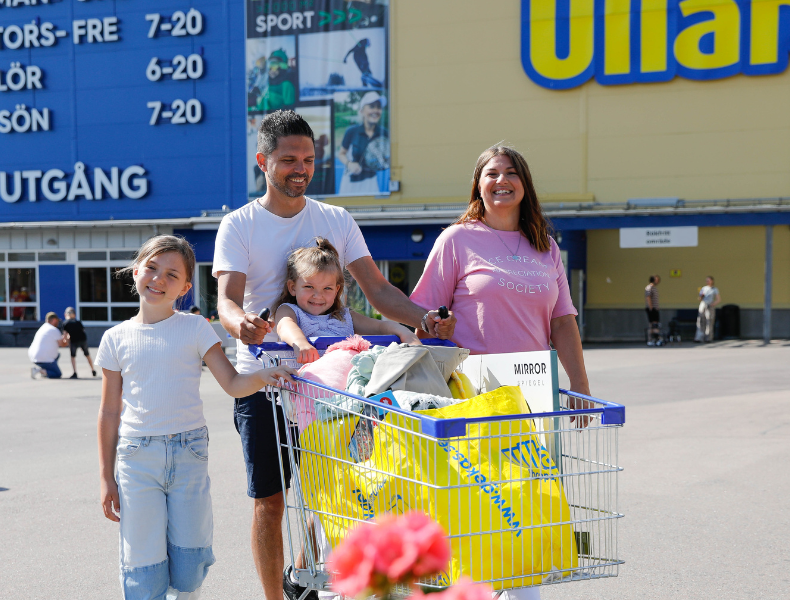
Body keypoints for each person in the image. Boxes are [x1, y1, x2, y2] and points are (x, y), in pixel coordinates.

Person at [213, 109, 454, 600]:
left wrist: (422, 320)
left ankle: (303, 576)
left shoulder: (335, 220)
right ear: (263, 161)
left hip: (336, 388)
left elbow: (379, 291)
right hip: (267, 382)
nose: (300, 168)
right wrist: (245, 326)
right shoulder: (239, 225)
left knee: (339, 494)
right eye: (287, 160)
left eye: (308, 158)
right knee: (271, 503)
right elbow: (226, 301)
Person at [408, 144, 590, 600]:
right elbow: (418, 313)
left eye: (511, 173)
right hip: (472, 399)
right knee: (477, 519)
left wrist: (580, 386)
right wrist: (435, 325)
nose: (501, 181)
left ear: (525, 185)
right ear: (478, 185)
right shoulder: (457, 240)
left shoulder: (545, 247)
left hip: (531, 401)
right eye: (491, 173)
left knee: (525, 518)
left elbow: (563, 322)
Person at [96, 235, 295, 600]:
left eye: (172, 275)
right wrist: (107, 477)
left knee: (189, 568)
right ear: (136, 268)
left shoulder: (196, 328)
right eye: (152, 268)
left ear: (186, 287)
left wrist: (265, 375)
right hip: (137, 460)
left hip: (189, 454)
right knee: (143, 566)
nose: (158, 279)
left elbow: (234, 383)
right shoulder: (114, 338)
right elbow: (110, 411)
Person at [274, 238, 419, 363]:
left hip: (344, 388)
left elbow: (380, 327)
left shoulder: (345, 317)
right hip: (306, 386)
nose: (318, 295)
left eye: (327, 289)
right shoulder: (290, 310)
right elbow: (285, 326)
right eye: (309, 286)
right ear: (292, 287)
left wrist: (406, 334)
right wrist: (300, 342)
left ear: (337, 290)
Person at [336, 91, 388, 197]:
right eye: (372, 107)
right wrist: (350, 164)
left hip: (371, 183)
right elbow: (341, 153)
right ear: (362, 111)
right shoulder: (351, 131)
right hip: (350, 183)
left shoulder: (384, 133)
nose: (376, 110)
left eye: (378, 107)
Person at [28, 312, 70, 379]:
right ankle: (40, 371)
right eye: (57, 321)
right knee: (57, 374)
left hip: (33, 356)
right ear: (54, 320)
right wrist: (68, 338)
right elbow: (63, 344)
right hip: (43, 358)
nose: (58, 323)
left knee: (57, 355)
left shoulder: (43, 327)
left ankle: (45, 370)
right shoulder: (54, 330)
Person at [61, 307, 95, 379]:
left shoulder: (65, 323)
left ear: (65, 315)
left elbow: (65, 335)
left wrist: (66, 342)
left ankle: (75, 372)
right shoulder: (78, 322)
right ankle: (93, 369)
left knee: (73, 356)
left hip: (73, 341)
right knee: (87, 354)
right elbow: (83, 331)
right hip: (83, 340)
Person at [696, 275, 721, 343]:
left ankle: (708, 337)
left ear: (712, 281)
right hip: (703, 304)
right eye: (706, 280)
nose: (707, 282)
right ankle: (699, 337)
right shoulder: (703, 288)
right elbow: (700, 299)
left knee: (709, 321)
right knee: (701, 321)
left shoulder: (714, 289)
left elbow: (718, 299)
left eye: (708, 280)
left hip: (710, 305)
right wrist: (701, 296)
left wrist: (713, 304)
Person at [645, 275, 661, 346]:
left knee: (654, 324)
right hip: (652, 309)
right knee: (653, 324)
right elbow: (648, 297)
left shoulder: (654, 288)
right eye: (656, 280)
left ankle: (653, 339)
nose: (657, 281)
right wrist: (651, 308)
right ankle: (653, 339)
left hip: (655, 308)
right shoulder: (649, 288)